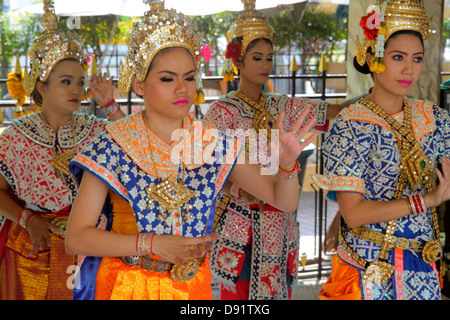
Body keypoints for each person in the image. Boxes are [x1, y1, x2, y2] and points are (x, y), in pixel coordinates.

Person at [65, 0, 318, 301]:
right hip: (129, 286)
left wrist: (287, 166)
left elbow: (283, 201)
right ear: (139, 84)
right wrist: (149, 244)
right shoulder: (113, 143)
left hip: (192, 287)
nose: (182, 88)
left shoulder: (212, 142)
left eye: (188, 77)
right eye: (167, 78)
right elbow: (76, 238)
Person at [204, 0, 358, 300]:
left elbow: (334, 111)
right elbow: (216, 175)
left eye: (269, 58)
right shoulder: (221, 113)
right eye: (257, 57)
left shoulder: (283, 105)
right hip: (240, 224)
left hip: (280, 221)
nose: (265, 65)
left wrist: (379, 92)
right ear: (238, 62)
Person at [311, 0, 450, 300]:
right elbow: (355, 213)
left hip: (421, 269)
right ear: (374, 56)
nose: (408, 69)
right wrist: (427, 200)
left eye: (417, 59)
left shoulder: (435, 119)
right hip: (368, 268)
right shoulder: (350, 125)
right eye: (398, 57)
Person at [0, 0, 124, 300]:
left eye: (80, 83)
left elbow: (137, 144)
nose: (76, 90)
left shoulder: (95, 130)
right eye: (66, 82)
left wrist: (109, 106)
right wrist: (27, 219)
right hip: (31, 246)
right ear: (42, 87)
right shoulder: (15, 136)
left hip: (88, 250)